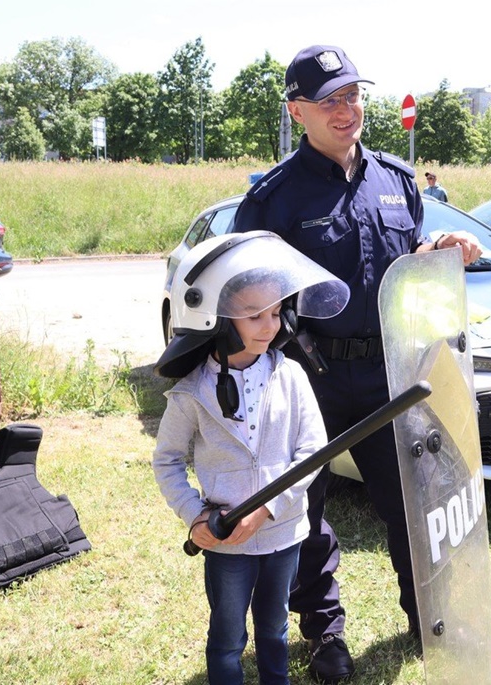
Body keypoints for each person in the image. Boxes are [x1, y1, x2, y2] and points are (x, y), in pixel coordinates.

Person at [233, 44, 481, 683]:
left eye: (353, 96)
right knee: (305, 512)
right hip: (310, 377)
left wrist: (444, 251)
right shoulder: (272, 201)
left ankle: (429, 617)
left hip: (392, 376)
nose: (347, 110)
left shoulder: (397, 180)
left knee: (414, 503)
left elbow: (409, 269)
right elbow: (246, 295)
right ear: (298, 112)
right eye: (330, 100)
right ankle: (325, 636)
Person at [152, 231, 350, 685]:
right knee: (227, 637)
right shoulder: (191, 395)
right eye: (254, 314)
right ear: (217, 319)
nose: (271, 325)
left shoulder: (292, 376)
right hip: (227, 544)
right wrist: (195, 516)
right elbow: (165, 461)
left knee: (275, 628)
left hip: (284, 534)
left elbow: (312, 451)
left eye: (277, 312)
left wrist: (269, 506)